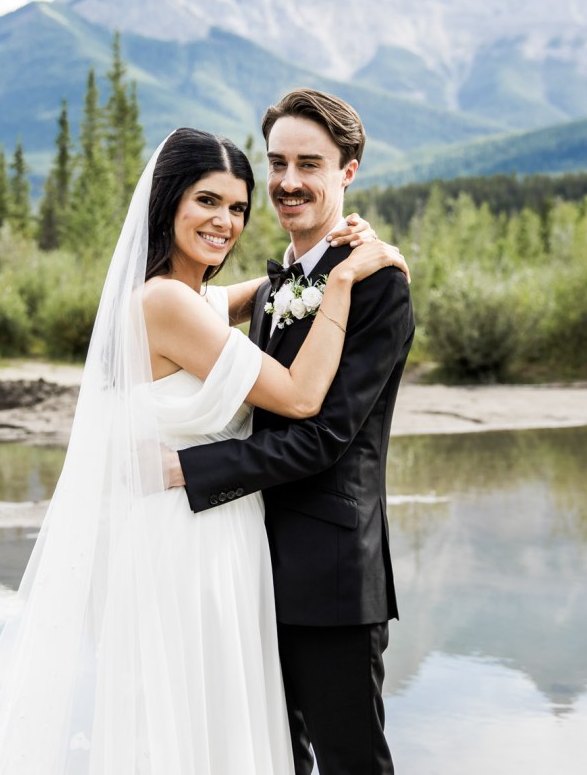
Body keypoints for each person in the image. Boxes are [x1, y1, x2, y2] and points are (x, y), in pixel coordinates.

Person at [0, 126, 407, 774]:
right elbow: (303, 400)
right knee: (202, 724)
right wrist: (340, 283)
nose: (226, 221)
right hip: (189, 542)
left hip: (206, 534)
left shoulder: (186, 299)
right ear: (168, 204)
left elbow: (260, 295)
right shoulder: (167, 303)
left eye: (239, 208)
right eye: (207, 201)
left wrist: (325, 257)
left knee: (201, 719)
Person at [170, 90, 416, 775]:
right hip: (247, 562)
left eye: (310, 163)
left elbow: (325, 437)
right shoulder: (282, 281)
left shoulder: (377, 287)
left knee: (350, 764)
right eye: (277, 163)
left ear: (349, 171)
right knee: (272, 760)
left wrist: (189, 469)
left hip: (332, 576)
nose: (287, 182)